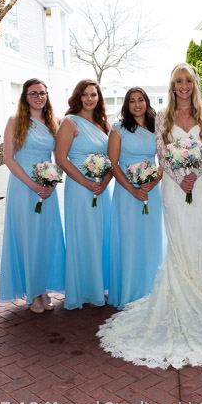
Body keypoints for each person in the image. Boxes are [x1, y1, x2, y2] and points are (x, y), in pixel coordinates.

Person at [97, 63, 202, 369]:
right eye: (178, 81)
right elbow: (161, 151)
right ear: (172, 86)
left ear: (193, 83)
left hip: (199, 187)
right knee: (178, 239)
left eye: (187, 80)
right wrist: (178, 176)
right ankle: (179, 295)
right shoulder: (163, 116)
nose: (183, 85)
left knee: (199, 236)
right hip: (173, 188)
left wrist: (194, 174)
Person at [0, 79, 65, 313]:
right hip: (23, 188)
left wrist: (52, 184)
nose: (39, 97)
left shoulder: (53, 123)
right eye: (33, 93)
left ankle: (44, 288)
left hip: (47, 190)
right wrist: (33, 185)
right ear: (25, 96)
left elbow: (59, 158)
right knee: (28, 238)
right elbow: (8, 158)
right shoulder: (15, 122)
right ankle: (32, 293)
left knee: (46, 239)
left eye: (43, 93)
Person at [56, 79, 114, 309]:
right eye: (85, 94)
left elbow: (112, 159)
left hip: (101, 190)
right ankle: (83, 291)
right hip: (80, 189)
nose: (90, 98)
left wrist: (104, 180)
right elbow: (61, 158)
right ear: (78, 97)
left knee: (101, 235)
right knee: (84, 236)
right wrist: (86, 183)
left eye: (94, 94)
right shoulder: (70, 122)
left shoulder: (103, 124)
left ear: (99, 98)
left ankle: (98, 287)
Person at [105, 87, 164, 308]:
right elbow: (113, 163)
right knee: (129, 240)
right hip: (126, 194)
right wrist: (132, 189)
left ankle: (151, 290)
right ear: (126, 105)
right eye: (132, 101)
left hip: (151, 192)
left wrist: (154, 182)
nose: (137, 104)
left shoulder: (157, 127)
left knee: (151, 239)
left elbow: (164, 162)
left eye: (141, 100)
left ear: (147, 102)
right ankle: (129, 291)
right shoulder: (118, 128)